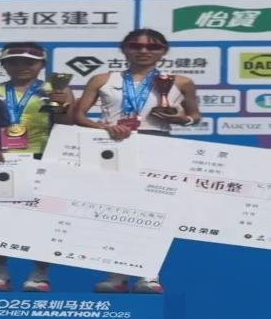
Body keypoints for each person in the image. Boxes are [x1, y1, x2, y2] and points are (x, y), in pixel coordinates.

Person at [74, 28, 201, 293]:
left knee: (154, 213)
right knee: (113, 212)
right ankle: (116, 276)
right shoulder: (102, 79)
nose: (144, 51)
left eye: (152, 47)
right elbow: (79, 116)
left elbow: (194, 115)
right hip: (113, 146)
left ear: (163, 51)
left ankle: (149, 275)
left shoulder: (180, 82)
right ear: (124, 49)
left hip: (158, 146)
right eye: (136, 46)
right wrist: (105, 128)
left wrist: (181, 119)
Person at [0, 42, 74, 292]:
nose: (21, 66)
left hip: (42, 158)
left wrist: (62, 104)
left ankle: (40, 274)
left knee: (43, 220)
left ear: (42, 65)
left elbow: (68, 124)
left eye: (29, 62)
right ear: (4, 65)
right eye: (14, 62)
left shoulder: (57, 89)